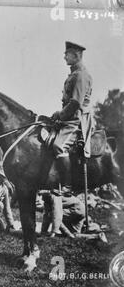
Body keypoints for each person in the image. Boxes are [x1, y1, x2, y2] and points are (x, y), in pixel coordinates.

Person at [51, 41, 93, 195]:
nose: (64, 57)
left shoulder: (81, 75)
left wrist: (61, 116)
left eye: (66, 54)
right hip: (70, 117)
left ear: (76, 55)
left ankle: (67, 186)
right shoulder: (74, 74)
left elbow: (75, 103)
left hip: (77, 120)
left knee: (58, 145)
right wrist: (58, 114)